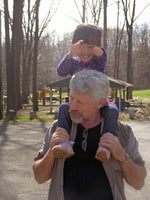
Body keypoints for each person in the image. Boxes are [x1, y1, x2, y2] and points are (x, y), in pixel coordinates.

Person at [32, 69, 147, 200]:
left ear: (100, 103)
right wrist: (51, 152)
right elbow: (39, 177)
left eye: (81, 102)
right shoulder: (57, 128)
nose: (72, 106)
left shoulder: (122, 132)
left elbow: (138, 183)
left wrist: (122, 157)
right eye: (71, 98)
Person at [54, 24, 118, 162]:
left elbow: (102, 55)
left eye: (90, 48)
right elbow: (61, 72)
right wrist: (70, 54)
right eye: (81, 48)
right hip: (77, 104)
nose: (85, 52)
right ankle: (64, 143)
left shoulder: (98, 61)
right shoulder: (73, 62)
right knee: (63, 108)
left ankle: (105, 146)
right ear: (74, 47)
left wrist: (93, 47)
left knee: (112, 110)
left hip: (98, 104)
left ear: (96, 48)